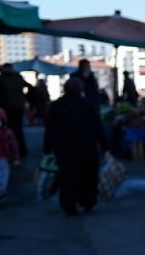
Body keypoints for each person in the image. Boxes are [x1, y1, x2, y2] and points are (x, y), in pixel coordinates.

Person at [45, 77, 108, 216]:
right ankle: (87, 200)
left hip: (64, 148)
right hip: (86, 147)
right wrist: (105, 146)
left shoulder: (56, 105)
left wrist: (47, 148)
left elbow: (50, 129)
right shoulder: (87, 104)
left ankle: (69, 204)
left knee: (67, 177)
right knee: (88, 175)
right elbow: (97, 126)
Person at [0, 64, 31, 158]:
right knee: (17, 129)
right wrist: (25, 99)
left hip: (7, 108)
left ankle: (11, 150)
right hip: (17, 107)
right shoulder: (18, 77)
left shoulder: (1, 78)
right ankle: (20, 150)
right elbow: (30, 87)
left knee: (9, 129)